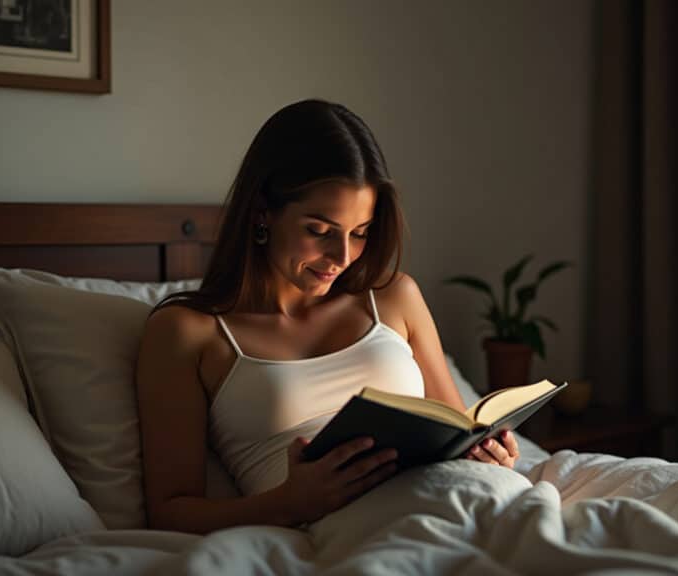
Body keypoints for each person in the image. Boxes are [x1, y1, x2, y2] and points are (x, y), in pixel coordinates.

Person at [135, 99, 520, 535]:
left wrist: (491, 457)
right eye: (319, 231)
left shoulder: (395, 296)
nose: (342, 257)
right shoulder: (187, 332)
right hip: (354, 533)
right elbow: (169, 511)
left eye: (360, 233)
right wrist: (288, 503)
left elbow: (461, 429)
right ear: (263, 210)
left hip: (467, 498)